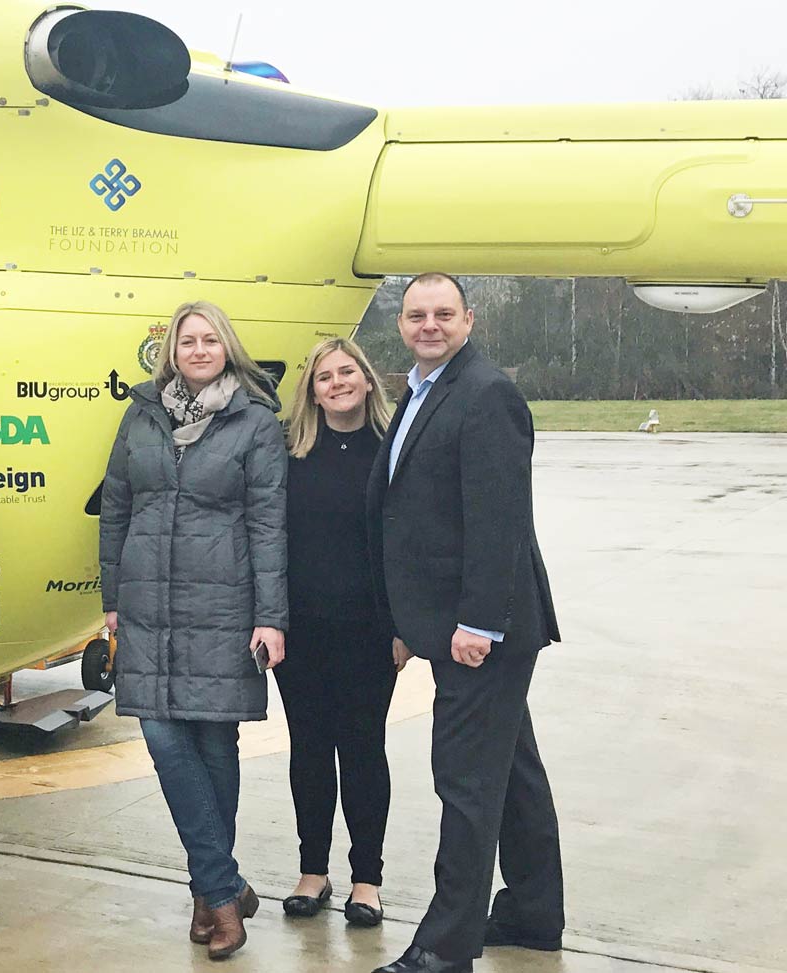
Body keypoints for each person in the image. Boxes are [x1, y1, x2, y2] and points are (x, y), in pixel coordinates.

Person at [366, 273, 564, 973]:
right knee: (511, 769)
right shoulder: (424, 391)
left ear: (468, 319)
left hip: (484, 630)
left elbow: (498, 522)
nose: (429, 324)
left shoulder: (486, 394)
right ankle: (536, 912)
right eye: (417, 314)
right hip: (455, 622)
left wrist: (479, 623)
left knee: (466, 783)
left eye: (443, 314)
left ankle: (446, 944)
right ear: (402, 324)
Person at [99, 300, 288, 961]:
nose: (199, 349)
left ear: (226, 348)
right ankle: (224, 885)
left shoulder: (256, 424)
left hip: (225, 606)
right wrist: (113, 596)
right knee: (163, 738)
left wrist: (271, 616)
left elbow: (269, 524)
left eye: (210, 339)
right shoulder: (142, 414)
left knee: (214, 745)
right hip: (149, 605)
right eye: (188, 340)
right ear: (171, 351)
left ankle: (211, 894)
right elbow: (116, 507)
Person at [277, 337, 401, 928]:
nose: (337, 383)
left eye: (346, 372)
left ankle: (367, 879)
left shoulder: (393, 450)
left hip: (370, 632)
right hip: (301, 631)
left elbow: (406, 545)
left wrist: (404, 628)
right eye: (324, 377)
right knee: (309, 750)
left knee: (362, 750)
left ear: (368, 380)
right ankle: (312, 870)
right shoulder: (291, 452)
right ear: (312, 391)